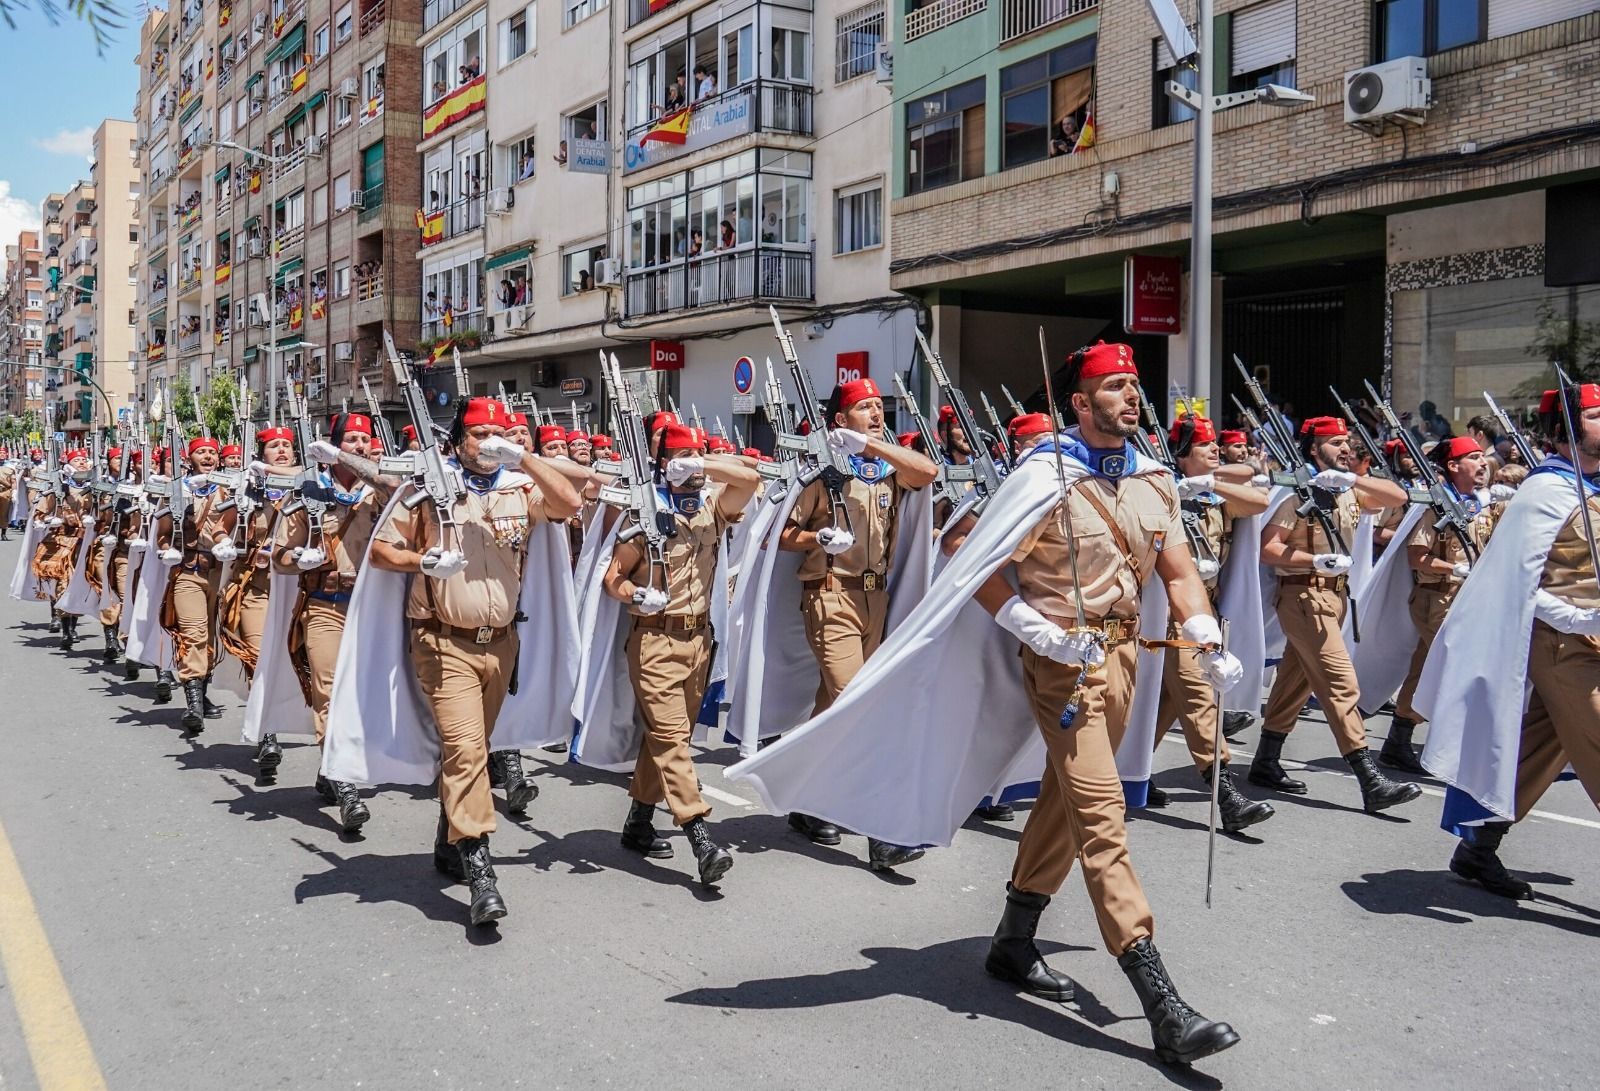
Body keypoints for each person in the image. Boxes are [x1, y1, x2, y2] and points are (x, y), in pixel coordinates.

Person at [368, 397, 583, 926]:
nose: (486, 442)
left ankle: (449, 837)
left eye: (495, 433)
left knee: (475, 750)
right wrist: (423, 560)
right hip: (444, 642)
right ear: (457, 440)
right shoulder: (427, 492)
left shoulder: (517, 488)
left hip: (501, 642)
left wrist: (525, 458)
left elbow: (570, 503)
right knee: (465, 750)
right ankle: (480, 869)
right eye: (477, 434)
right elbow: (381, 551)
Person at [1414, 383, 1600, 900]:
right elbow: (1510, 584)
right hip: (1563, 645)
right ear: (1568, 429)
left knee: (1541, 745)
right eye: (1598, 415)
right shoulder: (1548, 491)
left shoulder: (1593, 488)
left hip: (1588, 643)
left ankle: (1478, 846)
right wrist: (1582, 617)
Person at [778, 377, 939, 869]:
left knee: (832, 711)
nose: (875, 412)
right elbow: (782, 534)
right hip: (832, 597)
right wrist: (817, 538)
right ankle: (880, 833)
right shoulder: (824, 472)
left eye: (878, 407)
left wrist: (872, 443)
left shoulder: (883, 467)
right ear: (839, 419)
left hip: (876, 600)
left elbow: (928, 472)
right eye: (863, 408)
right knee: (859, 707)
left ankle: (804, 801)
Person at [601, 423, 760, 883]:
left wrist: (703, 462)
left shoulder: (710, 505)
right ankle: (699, 834)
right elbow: (613, 578)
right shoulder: (644, 514)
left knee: (669, 739)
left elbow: (748, 480)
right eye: (682, 457)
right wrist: (634, 594)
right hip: (653, 638)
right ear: (664, 462)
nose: (692, 466)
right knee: (671, 738)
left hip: (698, 640)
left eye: (697, 455)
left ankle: (638, 821)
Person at [1251, 416, 1422, 813]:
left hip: (1335, 598)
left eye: (1347, 442)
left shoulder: (1346, 489)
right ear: (1313, 449)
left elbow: (1397, 498)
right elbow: (1269, 548)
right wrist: (1315, 559)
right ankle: (1369, 777)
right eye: (1334, 442)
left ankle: (1266, 760)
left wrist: (1352, 481)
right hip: (1303, 597)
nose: (1345, 448)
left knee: (1296, 680)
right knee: (1341, 684)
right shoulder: (1299, 491)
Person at [1145, 415, 1276, 832]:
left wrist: (1211, 482)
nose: (1215, 451)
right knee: (1202, 696)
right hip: (1171, 615)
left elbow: (1259, 500)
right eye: (1205, 448)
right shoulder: (1159, 492)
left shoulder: (1214, 496)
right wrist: (1175, 489)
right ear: (1182, 457)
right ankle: (1226, 794)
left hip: (1208, 610)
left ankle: (1127, 775)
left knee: (1168, 701)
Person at [274, 414, 398, 833]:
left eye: (366, 439)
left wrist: (351, 461)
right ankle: (346, 787)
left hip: (370, 609)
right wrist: (298, 559)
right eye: (351, 439)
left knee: (363, 696)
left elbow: (395, 487)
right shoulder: (309, 492)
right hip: (325, 604)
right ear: (333, 443)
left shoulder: (380, 491)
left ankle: (331, 767)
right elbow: (280, 556)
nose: (361, 445)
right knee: (330, 695)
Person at [1383, 437, 1494, 775]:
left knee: (1424, 671)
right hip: (1438, 598)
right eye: (1474, 458)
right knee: (1458, 673)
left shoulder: (1480, 503)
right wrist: (1454, 568)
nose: (1483, 463)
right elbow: (1418, 557)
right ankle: (1457, 751)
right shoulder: (1436, 507)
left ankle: (1398, 742)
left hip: (1467, 599)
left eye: (1483, 457)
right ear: (1453, 466)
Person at [218, 425, 300, 770]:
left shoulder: (307, 487)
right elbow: (223, 525)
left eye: (287, 446)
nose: (282, 451)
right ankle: (268, 734)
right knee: (258, 657)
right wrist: (224, 541)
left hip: (299, 590)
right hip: (258, 586)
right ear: (260, 454)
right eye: (274, 447)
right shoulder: (248, 491)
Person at [155, 436, 235, 732]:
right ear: (189, 458)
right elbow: (162, 533)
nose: (209, 457)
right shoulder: (176, 490)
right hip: (188, 571)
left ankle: (202, 694)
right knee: (193, 633)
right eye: (202, 452)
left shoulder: (229, 489)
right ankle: (192, 703)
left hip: (220, 573)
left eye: (213, 453)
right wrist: (166, 549)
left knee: (212, 636)